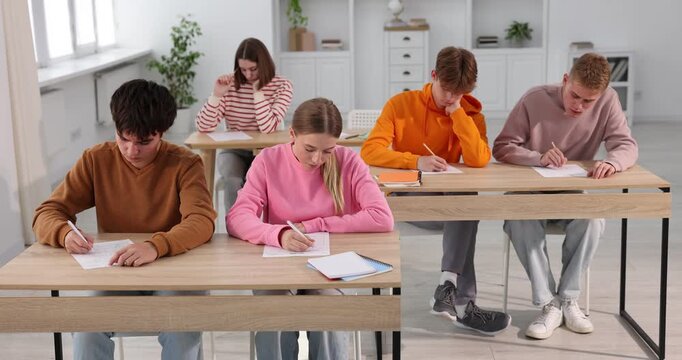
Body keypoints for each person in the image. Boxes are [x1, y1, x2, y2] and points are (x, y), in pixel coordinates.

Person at [33, 79, 217, 360]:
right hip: (117, 271)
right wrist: (64, 233)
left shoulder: (185, 163)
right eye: (123, 138)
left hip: (174, 271)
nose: (131, 151)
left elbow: (202, 221)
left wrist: (156, 246)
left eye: (144, 142)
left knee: (181, 326)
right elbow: (47, 212)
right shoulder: (96, 159)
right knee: (86, 327)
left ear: (162, 133)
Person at [227, 98, 394, 359]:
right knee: (274, 311)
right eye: (310, 148)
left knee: (328, 310)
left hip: (333, 264)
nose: (318, 159)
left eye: (328, 151)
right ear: (292, 134)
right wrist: (278, 234)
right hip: (280, 265)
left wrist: (315, 225)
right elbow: (237, 217)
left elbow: (382, 217)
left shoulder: (348, 162)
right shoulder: (268, 161)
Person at [361, 46, 510, 335]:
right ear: (433, 76)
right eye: (447, 90)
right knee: (467, 210)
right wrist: (415, 161)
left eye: (460, 93)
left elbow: (479, 160)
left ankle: (448, 288)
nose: (452, 98)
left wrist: (458, 115)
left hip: (450, 206)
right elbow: (370, 151)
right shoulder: (400, 104)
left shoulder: (469, 113)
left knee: (465, 204)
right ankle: (464, 304)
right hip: (406, 200)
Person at [492, 52, 638, 340]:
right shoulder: (534, 98)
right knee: (520, 220)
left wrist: (612, 162)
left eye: (588, 101)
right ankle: (548, 303)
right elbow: (502, 146)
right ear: (565, 80)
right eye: (575, 96)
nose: (579, 106)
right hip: (529, 192)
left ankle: (568, 299)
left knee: (593, 219)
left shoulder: (608, 101)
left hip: (572, 190)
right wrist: (537, 157)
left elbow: (626, 145)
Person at [195, 37, 293, 209]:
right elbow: (203, 127)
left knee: (255, 182)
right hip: (234, 149)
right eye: (243, 69)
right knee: (232, 180)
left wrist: (258, 91)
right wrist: (217, 95)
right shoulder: (230, 84)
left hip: (266, 150)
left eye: (253, 69)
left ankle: (255, 227)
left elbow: (268, 127)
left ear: (264, 64)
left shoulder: (282, 85)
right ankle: (234, 227)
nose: (248, 75)